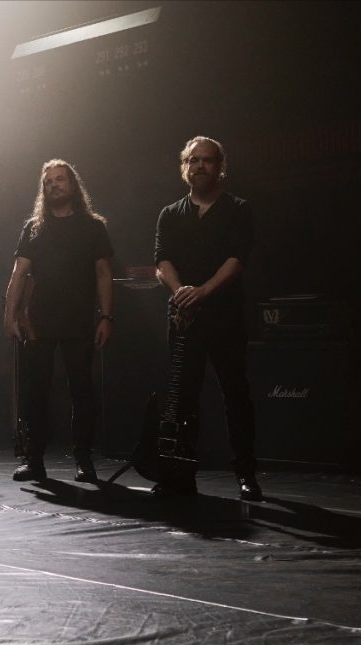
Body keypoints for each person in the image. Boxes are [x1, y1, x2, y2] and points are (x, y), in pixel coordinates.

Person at [153, 135, 262, 501]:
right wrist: (181, 292)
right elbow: (161, 260)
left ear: (220, 167)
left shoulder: (238, 208)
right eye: (193, 160)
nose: (200, 166)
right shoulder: (170, 213)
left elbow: (237, 259)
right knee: (183, 398)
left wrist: (203, 292)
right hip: (184, 317)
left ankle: (246, 473)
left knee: (236, 394)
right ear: (185, 167)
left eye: (207, 160)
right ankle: (181, 475)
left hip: (224, 316)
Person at [3, 160, 114, 484]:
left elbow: (103, 274)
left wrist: (106, 316)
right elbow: (19, 273)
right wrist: (10, 315)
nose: (54, 185)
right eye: (48, 181)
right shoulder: (34, 228)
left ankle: (84, 459)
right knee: (36, 392)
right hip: (39, 322)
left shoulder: (93, 226)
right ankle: (34, 460)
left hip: (79, 320)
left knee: (81, 390)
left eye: (60, 179)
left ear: (72, 184)